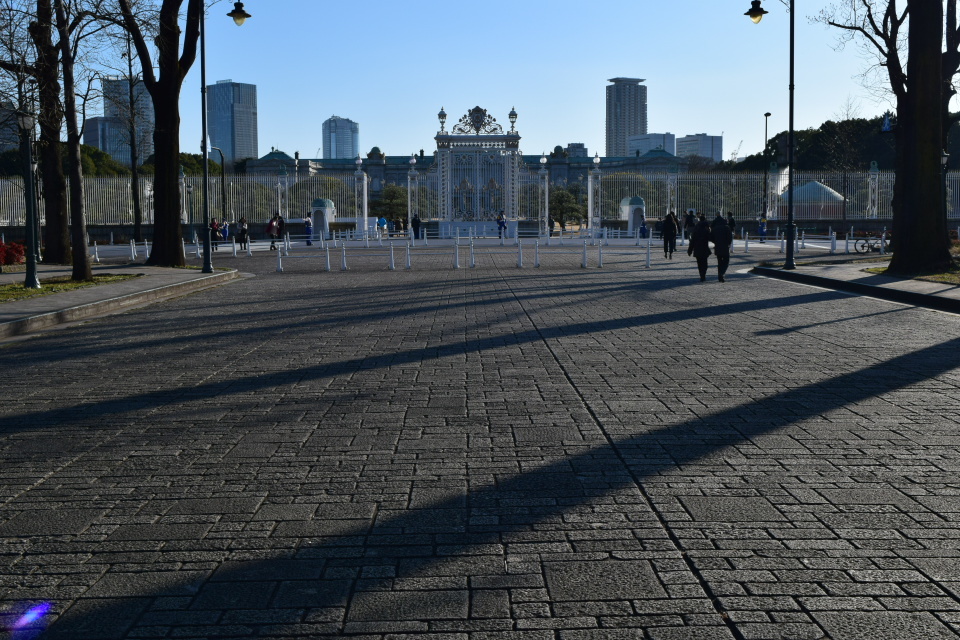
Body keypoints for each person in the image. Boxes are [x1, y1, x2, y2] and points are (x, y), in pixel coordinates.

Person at [687, 217, 712, 282]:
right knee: (705, 263)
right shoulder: (706, 231)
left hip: (697, 249)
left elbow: (692, 241)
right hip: (704, 249)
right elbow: (711, 238)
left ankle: (701, 275)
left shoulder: (696, 230)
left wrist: (690, 250)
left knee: (699, 263)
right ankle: (703, 274)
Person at [712, 214, 733, 282]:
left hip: (717, 247)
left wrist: (715, 242)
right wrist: (729, 243)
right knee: (726, 261)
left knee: (719, 262)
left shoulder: (716, 228)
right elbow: (730, 238)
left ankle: (719, 274)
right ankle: (722, 273)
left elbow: (711, 237)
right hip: (725, 247)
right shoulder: (727, 228)